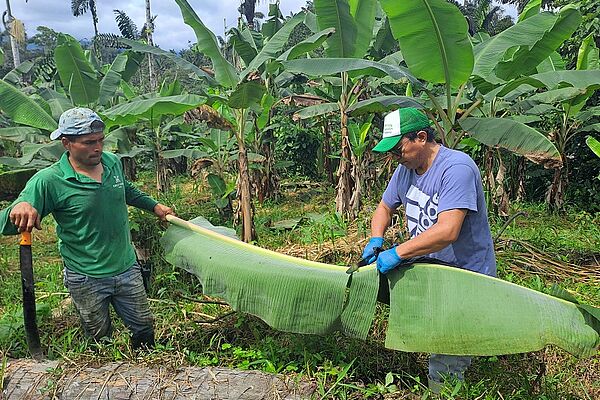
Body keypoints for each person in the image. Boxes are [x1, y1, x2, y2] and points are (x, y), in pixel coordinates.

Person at [0, 107, 174, 349]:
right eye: (89, 142)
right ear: (66, 143)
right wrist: (19, 208)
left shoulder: (111, 162)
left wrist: (155, 206)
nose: (98, 148)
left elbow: (126, 190)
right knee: (99, 337)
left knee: (144, 327)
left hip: (126, 267)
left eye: (101, 140)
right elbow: (7, 220)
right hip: (85, 276)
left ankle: (147, 374)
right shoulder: (49, 180)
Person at [362, 107, 496, 392]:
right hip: (432, 271)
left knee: (446, 359)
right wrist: (376, 238)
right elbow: (385, 207)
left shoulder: (456, 169)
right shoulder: (405, 170)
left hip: (465, 275)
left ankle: (443, 393)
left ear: (421, 138)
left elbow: (448, 230)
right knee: (437, 339)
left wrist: (398, 252)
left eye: (398, 150)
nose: (394, 158)